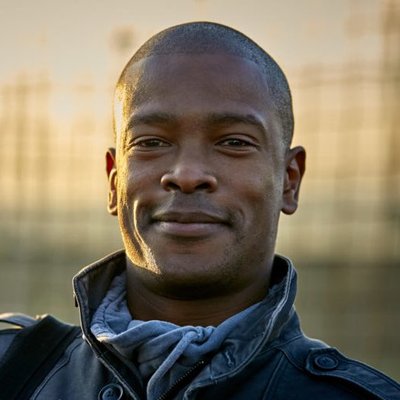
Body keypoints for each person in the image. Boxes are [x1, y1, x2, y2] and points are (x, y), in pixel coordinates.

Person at [0, 22, 399, 400]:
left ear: (289, 180)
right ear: (113, 180)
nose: (186, 175)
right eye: (151, 142)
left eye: (234, 142)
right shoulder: (15, 371)